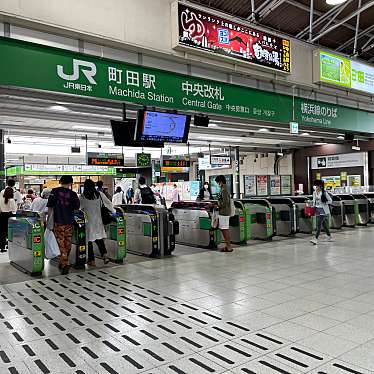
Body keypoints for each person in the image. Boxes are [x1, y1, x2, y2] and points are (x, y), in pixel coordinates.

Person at [47, 175, 80, 274]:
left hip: (58, 222)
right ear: (71, 183)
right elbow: (77, 208)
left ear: (60, 181)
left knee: (60, 242)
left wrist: (49, 220)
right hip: (69, 222)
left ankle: (65, 262)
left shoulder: (54, 191)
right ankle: (64, 262)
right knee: (68, 243)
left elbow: (50, 207)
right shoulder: (73, 194)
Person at [80, 179, 115, 267]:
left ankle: (92, 260)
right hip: (98, 221)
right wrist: (114, 211)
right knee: (99, 239)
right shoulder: (99, 195)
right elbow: (109, 204)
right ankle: (105, 255)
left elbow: (79, 208)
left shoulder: (82, 197)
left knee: (89, 241)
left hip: (88, 222)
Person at [311, 180, 333, 245]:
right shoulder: (314, 192)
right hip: (317, 209)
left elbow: (330, 201)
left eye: (317, 186)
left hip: (323, 209)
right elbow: (314, 201)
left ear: (320, 186)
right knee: (324, 224)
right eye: (315, 186)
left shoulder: (324, 193)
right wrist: (313, 206)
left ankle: (316, 239)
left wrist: (325, 202)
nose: (315, 187)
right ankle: (329, 236)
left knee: (318, 224)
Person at [215, 175, 232, 252]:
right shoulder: (224, 188)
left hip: (224, 212)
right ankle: (227, 245)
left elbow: (225, 202)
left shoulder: (224, 189)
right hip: (223, 212)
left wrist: (218, 206)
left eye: (218, 182)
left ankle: (228, 246)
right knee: (223, 229)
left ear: (221, 181)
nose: (218, 184)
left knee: (225, 229)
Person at [0, 187, 17, 253]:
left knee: (2, 232)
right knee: (9, 232)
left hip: (2, 216)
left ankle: (2, 247)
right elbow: (14, 210)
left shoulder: (1, 199)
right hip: (9, 216)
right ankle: (9, 246)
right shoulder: (12, 200)